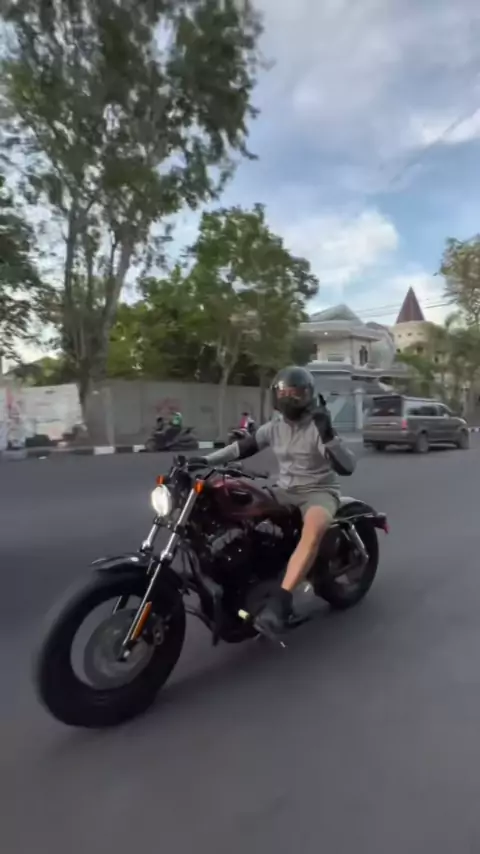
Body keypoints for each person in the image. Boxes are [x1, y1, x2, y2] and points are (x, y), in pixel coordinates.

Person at [200, 366, 356, 634]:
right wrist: (203, 461)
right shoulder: (274, 427)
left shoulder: (318, 426)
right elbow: (242, 448)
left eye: (297, 394)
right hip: (284, 489)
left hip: (318, 491)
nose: (290, 398)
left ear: (309, 395)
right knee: (239, 508)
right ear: (276, 395)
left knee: (314, 528)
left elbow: (347, 466)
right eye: (285, 393)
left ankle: (282, 603)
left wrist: (328, 434)